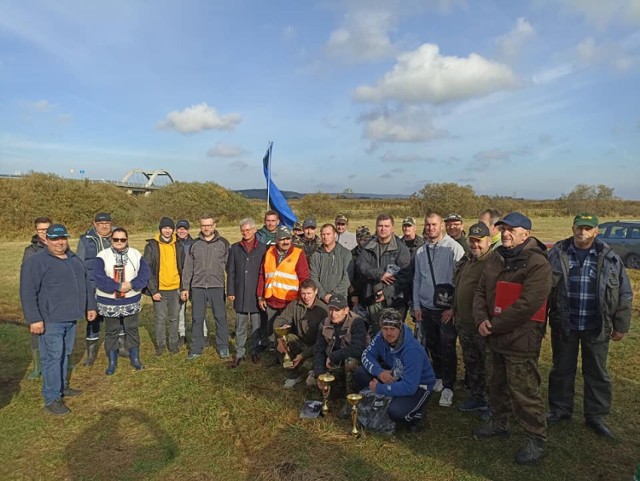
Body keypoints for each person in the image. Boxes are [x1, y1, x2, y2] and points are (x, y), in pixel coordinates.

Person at [472, 212, 552, 465]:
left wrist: (494, 325)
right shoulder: (496, 258)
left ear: (525, 234)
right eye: (503, 229)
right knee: (495, 382)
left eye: (511, 230)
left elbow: (528, 304)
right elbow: (481, 291)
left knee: (524, 390)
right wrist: (481, 319)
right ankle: (499, 421)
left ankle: (535, 439)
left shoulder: (538, 263)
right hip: (493, 335)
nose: (505, 233)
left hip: (521, 338)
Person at [547, 213, 633, 438]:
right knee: (561, 369)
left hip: (596, 324)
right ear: (572, 228)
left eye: (588, 228)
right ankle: (560, 409)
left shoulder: (610, 257)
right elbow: (543, 287)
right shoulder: (557, 253)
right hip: (564, 323)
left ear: (596, 231)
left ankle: (596, 416)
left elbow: (624, 293)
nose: (582, 232)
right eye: (579, 227)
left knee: (596, 372)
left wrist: (621, 324)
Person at [20, 224, 97, 415]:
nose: (59, 242)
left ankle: (62, 387)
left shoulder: (73, 259)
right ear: (46, 240)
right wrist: (34, 319)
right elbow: (27, 292)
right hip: (50, 320)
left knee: (64, 354)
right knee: (52, 358)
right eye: (54, 239)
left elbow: (86, 284)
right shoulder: (36, 262)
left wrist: (90, 306)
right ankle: (52, 398)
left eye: (62, 238)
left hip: (71, 318)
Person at [413, 213, 465, 408]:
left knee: (448, 347)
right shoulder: (420, 252)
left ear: (442, 225)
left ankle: (449, 387)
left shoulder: (454, 248)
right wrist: (417, 305)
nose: (430, 228)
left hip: (446, 310)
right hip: (426, 307)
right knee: (433, 345)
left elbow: (460, 281)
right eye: (427, 225)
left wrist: (453, 308)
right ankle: (439, 377)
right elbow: (417, 279)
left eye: (434, 224)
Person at [356, 308, 435, 432]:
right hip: (396, 375)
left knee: (396, 412)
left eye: (393, 329)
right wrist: (379, 372)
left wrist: (379, 388)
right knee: (361, 373)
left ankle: (418, 414)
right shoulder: (380, 337)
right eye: (385, 329)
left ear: (400, 328)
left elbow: (409, 387)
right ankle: (376, 404)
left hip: (419, 386)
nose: (389, 333)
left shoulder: (412, 351)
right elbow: (366, 355)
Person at [93, 227, 151, 375]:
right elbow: (99, 277)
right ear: (111, 240)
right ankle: (112, 362)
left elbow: (145, 273)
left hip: (131, 299)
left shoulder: (135, 254)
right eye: (116, 239)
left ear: (127, 240)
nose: (119, 242)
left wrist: (131, 284)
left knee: (132, 329)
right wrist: (117, 286)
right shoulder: (102, 255)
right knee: (112, 331)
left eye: (122, 239)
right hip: (109, 301)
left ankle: (135, 359)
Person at [452, 222, 492, 412]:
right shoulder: (468, 259)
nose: (475, 245)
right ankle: (477, 397)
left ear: (489, 241)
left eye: (479, 241)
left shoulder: (492, 262)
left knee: (488, 366)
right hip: (464, 323)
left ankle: (493, 404)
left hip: (482, 325)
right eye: (472, 241)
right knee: (472, 362)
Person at [181, 215, 230, 360]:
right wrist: (185, 287)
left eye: (209, 225)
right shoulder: (194, 245)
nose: (206, 228)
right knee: (197, 318)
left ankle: (223, 347)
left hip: (217, 286)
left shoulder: (224, 243)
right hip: (198, 287)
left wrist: (232, 288)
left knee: (220, 317)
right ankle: (196, 348)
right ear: (200, 226)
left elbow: (230, 267)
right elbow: (188, 268)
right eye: (203, 225)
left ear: (214, 225)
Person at [257, 226, 310, 351]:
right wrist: (260, 296)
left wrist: (302, 299)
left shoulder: (298, 254)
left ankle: (290, 351)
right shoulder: (268, 253)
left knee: (289, 329)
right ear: (276, 240)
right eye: (282, 239)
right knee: (271, 328)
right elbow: (262, 276)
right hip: (271, 299)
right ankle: (273, 350)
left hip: (290, 301)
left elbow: (304, 278)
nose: (285, 242)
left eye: (288, 239)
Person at [356, 214, 411, 334]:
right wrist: (380, 274)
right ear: (376, 227)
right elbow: (361, 265)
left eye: (386, 226)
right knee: (378, 334)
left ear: (392, 228)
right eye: (380, 226)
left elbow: (405, 277)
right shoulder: (369, 247)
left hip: (395, 301)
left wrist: (386, 293)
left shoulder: (401, 249)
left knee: (394, 334)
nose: (383, 229)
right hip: (373, 299)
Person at [227, 218, 268, 367]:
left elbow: (265, 272)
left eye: (248, 230)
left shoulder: (263, 248)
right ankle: (239, 352)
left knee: (256, 326)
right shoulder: (235, 248)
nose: (245, 233)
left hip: (256, 294)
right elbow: (230, 271)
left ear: (254, 230)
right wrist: (230, 290)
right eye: (243, 230)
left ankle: (255, 350)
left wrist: (262, 294)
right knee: (240, 326)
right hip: (240, 292)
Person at [273, 279, 328, 388]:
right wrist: (280, 338)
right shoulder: (295, 305)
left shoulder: (323, 310)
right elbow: (279, 320)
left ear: (316, 292)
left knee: (307, 366)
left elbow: (323, 342)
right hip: (300, 342)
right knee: (283, 342)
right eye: (303, 293)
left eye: (309, 293)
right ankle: (292, 375)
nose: (306, 297)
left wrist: (303, 355)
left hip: (315, 349)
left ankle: (309, 372)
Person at [143, 217, 185, 356]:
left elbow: (183, 267)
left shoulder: (178, 245)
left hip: (175, 289)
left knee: (174, 318)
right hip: (159, 289)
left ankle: (173, 344)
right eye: (164, 228)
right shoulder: (152, 246)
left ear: (173, 230)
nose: (167, 231)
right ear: (160, 229)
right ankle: (160, 345)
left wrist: (183, 288)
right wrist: (153, 290)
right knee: (160, 319)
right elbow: (147, 269)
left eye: (169, 228)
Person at [77, 212, 113, 367]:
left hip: (112, 287)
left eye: (107, 223)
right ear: (94, 224)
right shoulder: (85, 240)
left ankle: (117, 348)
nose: (104, 226)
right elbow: (79, 264)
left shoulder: (117, 237)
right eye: (100, 224)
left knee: (115, 319)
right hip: (93, 287)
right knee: (94, 320)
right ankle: (91, 354)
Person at [313, 293, 367, 394]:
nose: (333, 314)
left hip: (356, 363)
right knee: (311, 382)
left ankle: (352, 395)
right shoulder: (324, 323)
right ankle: (338, 388)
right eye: (331, 310)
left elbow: (358, 349)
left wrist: (333, 356)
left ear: (346, 310)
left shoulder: (357, 322)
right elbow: (319, 350)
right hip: (334, 364)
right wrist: (320, 374)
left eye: (337, 310)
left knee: (350, 362)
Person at [22, 216, 52, 381]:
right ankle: (37, 366)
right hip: (40, 295)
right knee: (36, 332)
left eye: (47, 229)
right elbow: (27, 276)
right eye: (41, 230)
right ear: (36, 231)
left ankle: (65, 359)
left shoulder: (60, 244)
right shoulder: (31, 250)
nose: (44, 232)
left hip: (56, 296)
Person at [176, 219, 204, 346]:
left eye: (184, 229)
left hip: (194, 281)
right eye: (180, 228)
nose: (182, 231)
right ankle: (181, 333)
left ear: (188, 230)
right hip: (177, 281)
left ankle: (202, 333)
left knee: (198, 308)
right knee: (180, 309)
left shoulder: (194, 244)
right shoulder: (173, 244)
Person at [310, 223, 353, 303]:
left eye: (328, 234)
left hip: (340, 298)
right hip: (320, 299)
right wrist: (323, 295)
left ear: (335, 235)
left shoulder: (345, 254)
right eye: (323, 234)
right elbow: (313, 277)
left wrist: (333, 295)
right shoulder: (316, 255)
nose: (325, 237)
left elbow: (347, 278)